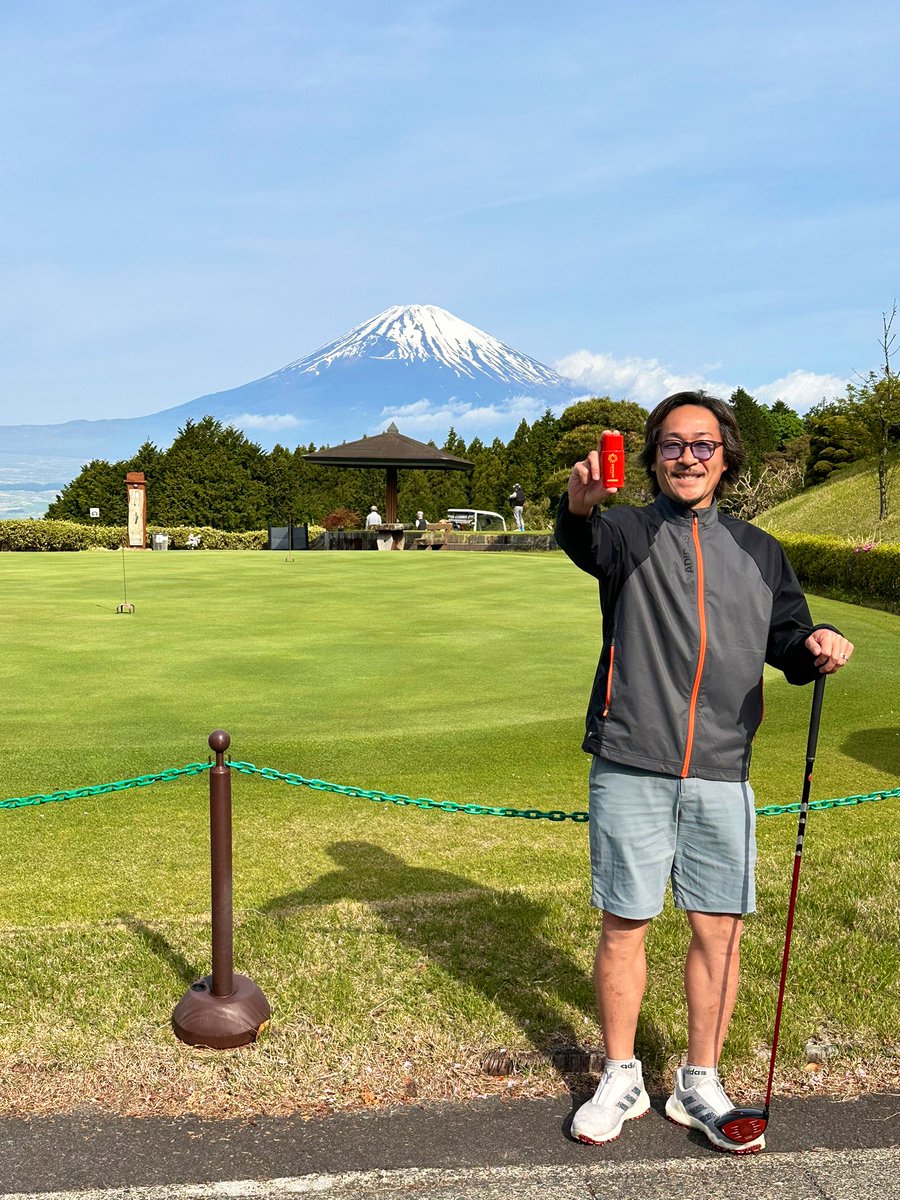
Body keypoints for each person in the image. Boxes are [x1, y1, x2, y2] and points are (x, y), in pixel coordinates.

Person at [555, 391, 854, 1155]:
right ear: (653, 458)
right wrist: (580, 508)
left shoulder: (759, 550)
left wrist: (817, 641)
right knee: (626, 922)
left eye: (703, 445)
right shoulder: (626, 530)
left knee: (717, 930)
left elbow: (788, 638)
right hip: (631, 756)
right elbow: (586, 542)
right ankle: (620, 1074)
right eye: (673, 446)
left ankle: (700, 1081)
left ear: (726, 457)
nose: (688, 457)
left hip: (724, 764)